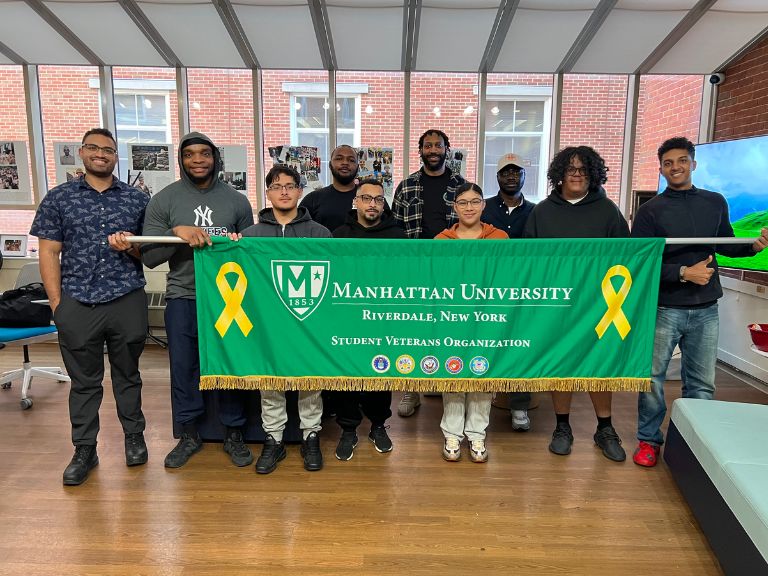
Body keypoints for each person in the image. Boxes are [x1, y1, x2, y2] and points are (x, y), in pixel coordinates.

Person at [630, 136, 768, 467]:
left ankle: (693, 444)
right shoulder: (650, 211)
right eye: (667, 163)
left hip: (707, 308)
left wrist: (755, 246)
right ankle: (649, 441)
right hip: (664, 308)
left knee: (702, 382)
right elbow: (640, 263)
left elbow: (726, 243)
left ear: (693, 163)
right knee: (651, 378)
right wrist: (681, 273)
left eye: (681, 161)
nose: (675, 167)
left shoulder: (714, 202)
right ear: (661, 169)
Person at [31, 128, 149, 486]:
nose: (101, 155)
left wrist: (129, 246)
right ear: (82, 153)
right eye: (94, 148)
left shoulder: (136, 199)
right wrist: (57, 304)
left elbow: (151, 251)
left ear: (116, 157)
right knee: (84, 382)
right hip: (77, 300)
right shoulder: (59, 198)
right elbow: (49, 251)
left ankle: (134, 437)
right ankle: (85, 448)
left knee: (128, 374)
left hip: (125, 296)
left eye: (109, 150)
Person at [141, 132, 255, 470]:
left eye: (204, 153)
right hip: (183, 296)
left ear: (215, 158)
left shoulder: (236, 201)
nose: (198, 160)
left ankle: (233, 431)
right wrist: (176, 232)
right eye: (190, 154)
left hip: (229, 299)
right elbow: (149, 257)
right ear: (181, 159)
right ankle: (188, 433)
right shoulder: (164, 200)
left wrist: (236, 242)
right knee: (184, 366)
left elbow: (251, 255)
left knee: (230, 365)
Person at [524, 145, 628, 463]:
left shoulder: (608, 210)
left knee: (599, 366)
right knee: (563, 365)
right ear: (559, 174)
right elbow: (528, 260)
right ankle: (562, 427)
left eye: (584, 169)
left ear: (593, 173)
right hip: (557, 305)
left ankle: (605, 428)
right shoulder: (542, 211)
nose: (577, 174)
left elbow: (627, 258)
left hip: (600, 304)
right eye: (571, 169)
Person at [232, 165, 331, 474]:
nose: (284, 191)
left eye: (290, 186)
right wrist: (228, 248)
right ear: (268, 193)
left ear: (300, 191)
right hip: (268, 323)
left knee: (309, 380)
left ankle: (310, 436)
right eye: (277, 186)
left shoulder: (319, 233)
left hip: (308, 320)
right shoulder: (250, 235)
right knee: (270, 380)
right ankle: (273, 439)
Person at [393, 129, 466, 417]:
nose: (433, 149)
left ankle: (446, 381)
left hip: (452, 269)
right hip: (416, 268)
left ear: (448, 149)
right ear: (420, 151)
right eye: (428, 145)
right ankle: (412, 388)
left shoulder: (462, 186)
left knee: (448, 327)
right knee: (414, 329)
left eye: (438, 145)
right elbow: (397, 228)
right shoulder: (407, 185)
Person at [332, 179, 405, 461]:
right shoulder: (338, 235)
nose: (372, 204)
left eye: (377, 199)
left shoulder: (398, 237)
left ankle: (377, 425)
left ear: (383, 204)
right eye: (366, 198)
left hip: (383, 318)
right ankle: (348, 429)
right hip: (347, 317)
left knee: (380, 370)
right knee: (347, 374)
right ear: (356, 202)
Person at [435, 182, 507, 462]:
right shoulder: (441, 240)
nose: (468, 207)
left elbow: (507, 279)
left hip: (487, 317)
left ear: (483, 205)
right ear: (454, 207)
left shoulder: (499, 237)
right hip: (452, 318)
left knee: (481, 373)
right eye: (462, 202)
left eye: (474, 201)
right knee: (453, 371)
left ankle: (477, 434)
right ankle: (452, 432)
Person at [482, 152, 536, 432]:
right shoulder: (483, 208)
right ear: (498, 177)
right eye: (506, 172)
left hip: (522, 291)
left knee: (518, 347)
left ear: (524, 176)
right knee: (483, 345)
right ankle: (481, 404)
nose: (512, 176)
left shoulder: (536, 211)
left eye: (517, 172)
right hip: (485, 290)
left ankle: (519, 406)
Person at [300, 144, 359, 233]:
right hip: (321, 247)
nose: (345, 163)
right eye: (339, 158)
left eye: (351, 160)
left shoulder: (372, 200)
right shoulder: (312, 199)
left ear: (358, 167)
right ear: (330, 165)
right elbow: (298, 233)